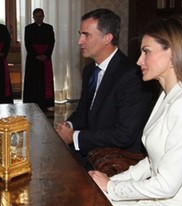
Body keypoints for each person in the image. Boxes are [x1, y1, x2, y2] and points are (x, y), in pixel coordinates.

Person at [89, 16, 182, 205]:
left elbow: (167, 185)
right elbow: (152, 162)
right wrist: (113, 181)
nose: (139, 60)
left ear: (174, 54)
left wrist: (111, 187)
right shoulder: (167, 95)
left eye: (146, 52)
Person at [54, 9, 152, 169]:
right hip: (94, 146)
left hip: (117, 157)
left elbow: (124, 135)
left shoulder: (131, 75)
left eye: (86, 35)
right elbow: (83, 113)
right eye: (80, 34)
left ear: (107, 38)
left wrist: (74, 137)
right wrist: (68, 125)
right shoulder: (90, 70)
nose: (80, 41)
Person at [23, 8, 55, 111]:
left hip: (45, 58)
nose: (38, 18)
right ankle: (32, 102)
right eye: (36, 16)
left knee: (45, 82)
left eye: (40, 16)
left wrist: (46, 55)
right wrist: (36, 55)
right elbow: (27, 43)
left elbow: (52, 43)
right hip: (33, 59)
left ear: (43, 16)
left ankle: (45, 103)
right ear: (33, 17)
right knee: (33, 81)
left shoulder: (49, 28)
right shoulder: (28, 28)